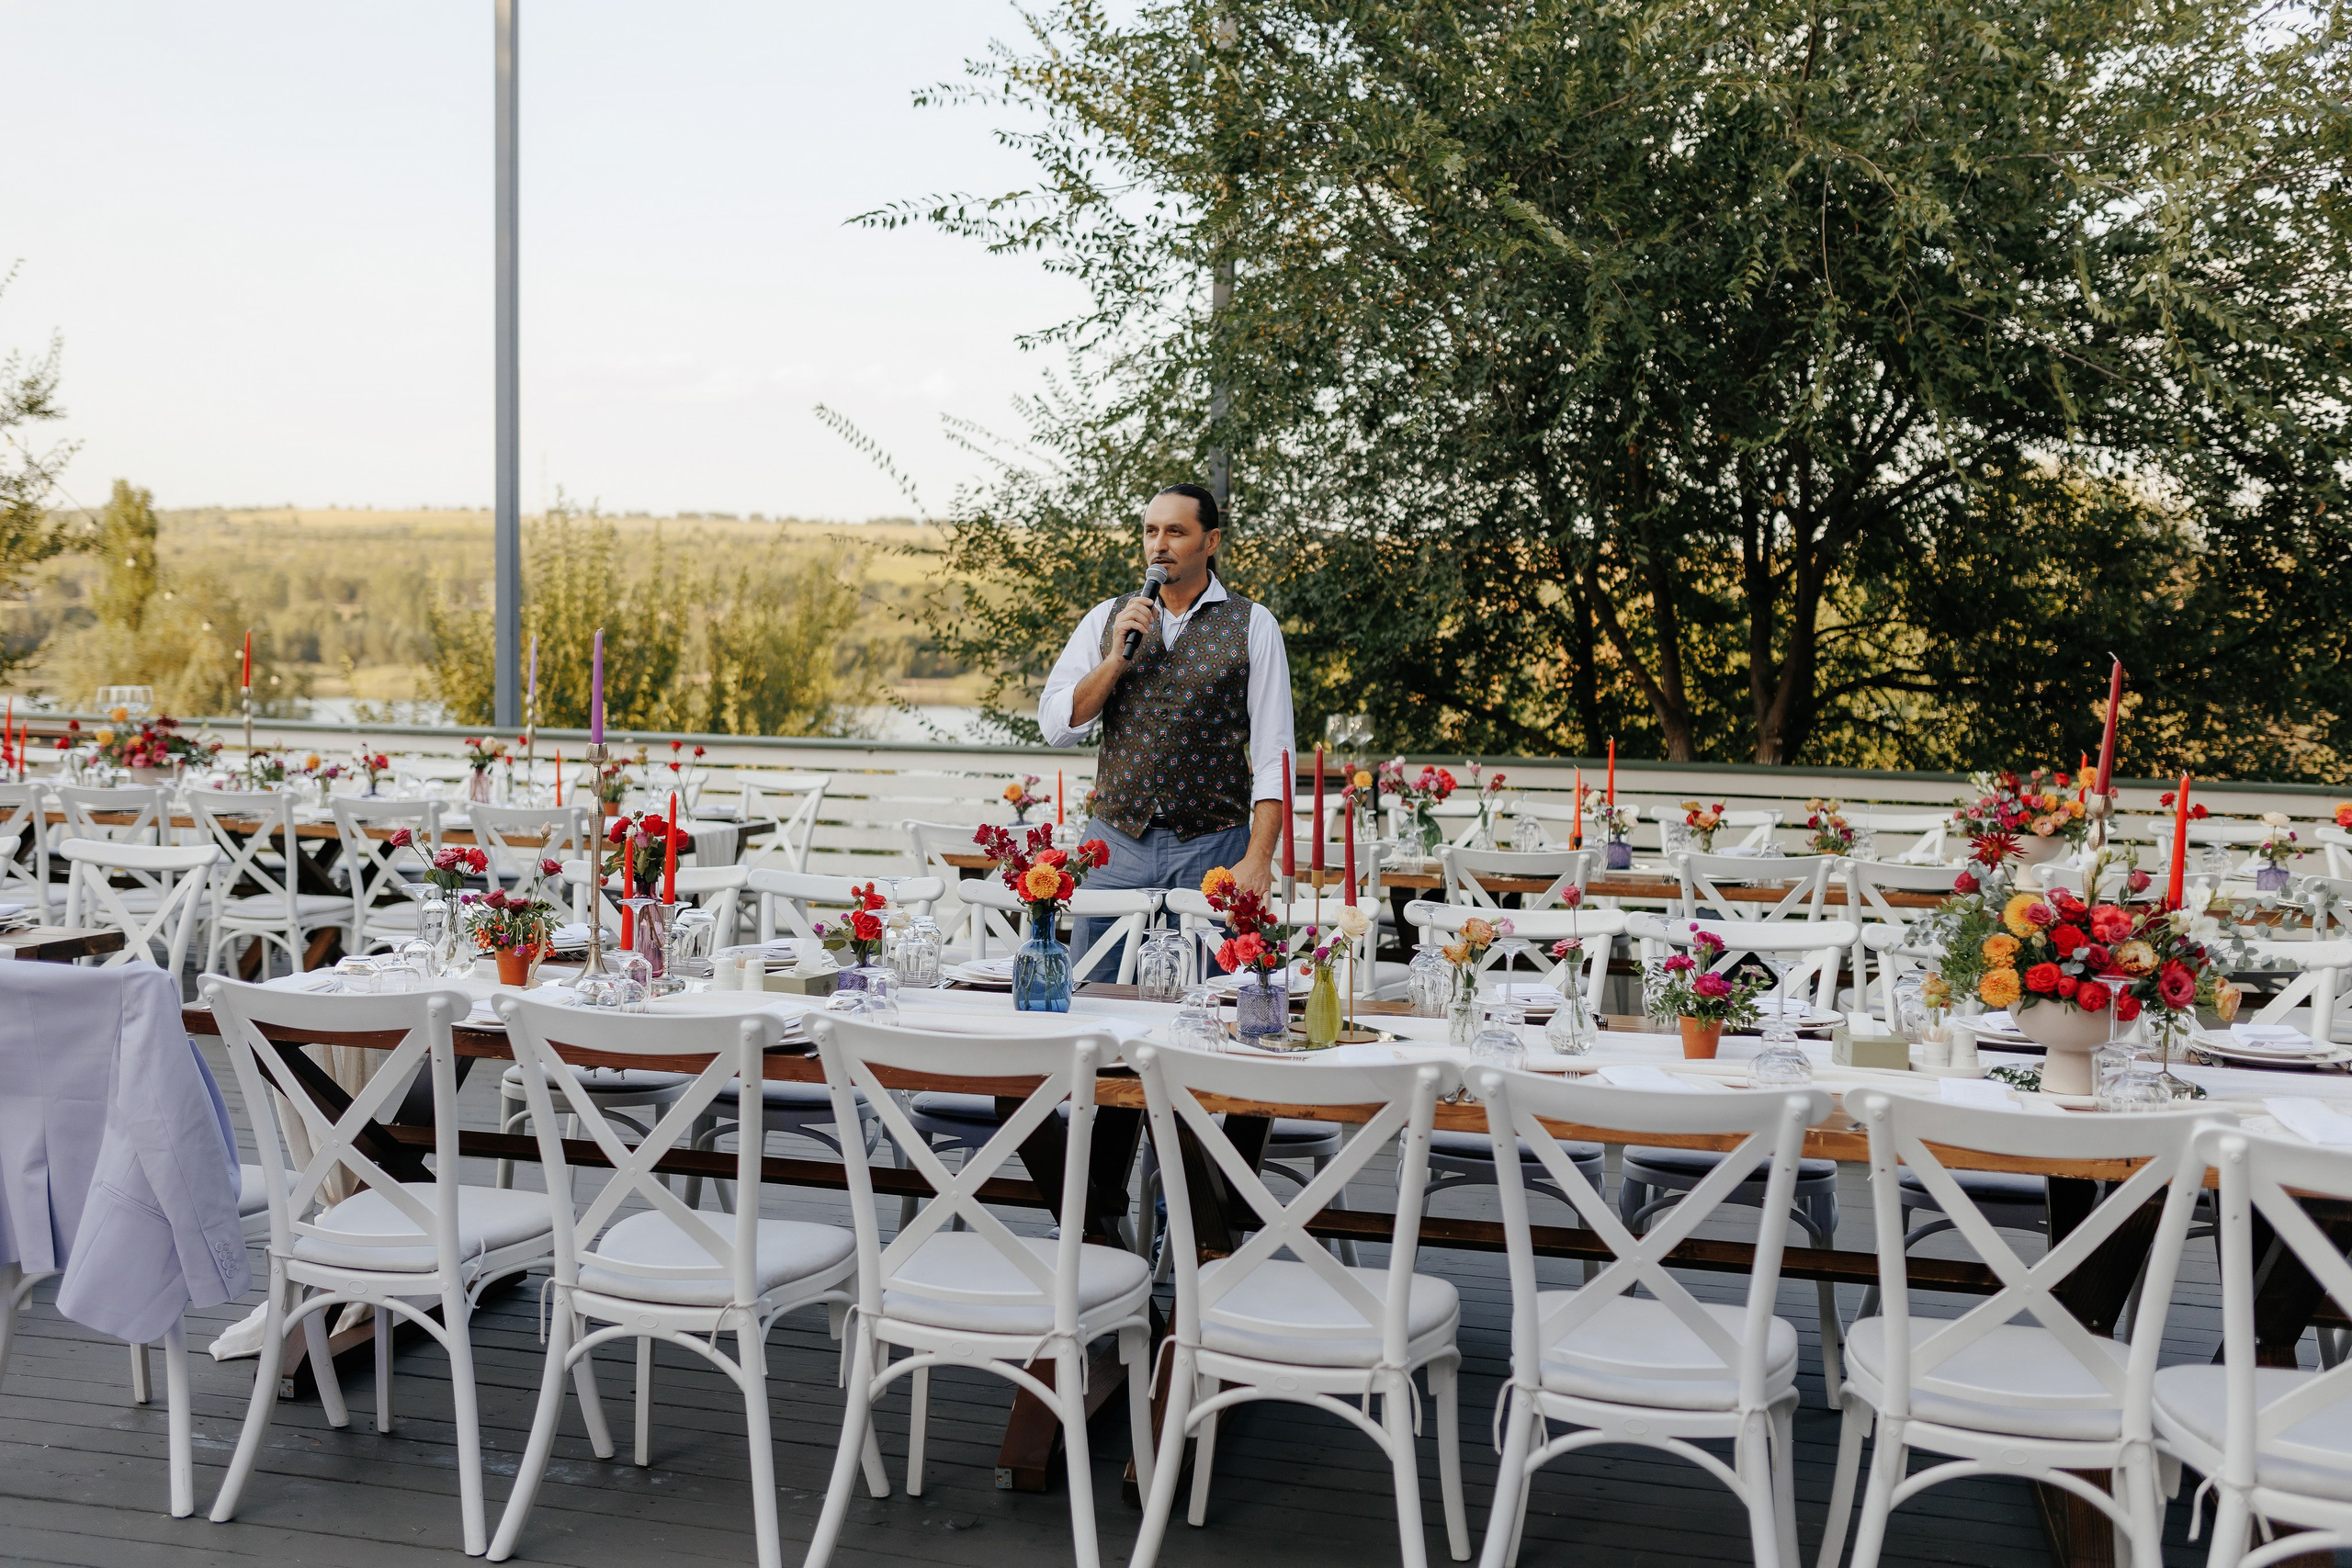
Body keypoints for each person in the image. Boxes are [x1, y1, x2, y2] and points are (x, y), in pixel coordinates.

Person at [1038, 483, 1294, 976]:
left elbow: (1272, 755)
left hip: (1213, 847)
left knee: (1214, 1002)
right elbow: (1058, 728)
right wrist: (1114, 659)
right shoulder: (1107, 619)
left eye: (1176, 531)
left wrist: (1260, 858)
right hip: (1115, 848)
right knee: (1095, 992)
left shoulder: (1254, 624)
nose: (1159, 544)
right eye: (1151, 531)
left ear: (1210, 541)